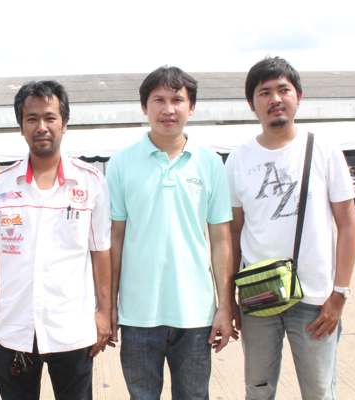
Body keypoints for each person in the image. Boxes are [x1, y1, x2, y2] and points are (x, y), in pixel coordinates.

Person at [225, 56, 355, 399]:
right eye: (264, 92)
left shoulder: (324, 149)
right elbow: (233, 233)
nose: (275, 99)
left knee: (318, 391)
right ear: (251, 103)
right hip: (257, 296)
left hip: (316, 299)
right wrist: (229, 300)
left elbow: (347, 223)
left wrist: (339, 293)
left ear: (299, 96)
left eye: (283, 90)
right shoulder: (238, 159)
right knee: (258, 389)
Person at [0, 80, 112, 400]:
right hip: (14, 327)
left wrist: (104, 313)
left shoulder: (90, 183)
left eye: (50, 117)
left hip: (71, 327)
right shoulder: (0, 186)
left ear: (64, 123)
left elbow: (100, 252)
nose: (41, 127)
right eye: (32, 118)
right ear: (21, 126)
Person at [107, 66, 235, 399]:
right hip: (138, 315)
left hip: (195, 313)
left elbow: (221, 240)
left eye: (177, 100)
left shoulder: (210, 163)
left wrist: (225, 306)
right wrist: (108, 306)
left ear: (191, 107)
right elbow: (114, 239)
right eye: (158, 100)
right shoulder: (121, 163)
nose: (168, 109)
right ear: (144, 107)